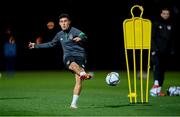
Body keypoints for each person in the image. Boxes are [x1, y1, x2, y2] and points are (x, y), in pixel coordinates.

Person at [28, 13, 92, 109]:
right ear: (59, 23)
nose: (63, 23)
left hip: (80, 56)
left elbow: (84, 35)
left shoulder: (74, 31)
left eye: (65, 21)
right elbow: (51, 44)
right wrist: (35, 45)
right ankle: (83, 73)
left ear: (69, 22)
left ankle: (73, 104)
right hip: (68, 56)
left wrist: (80, 37)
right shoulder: (59, 34)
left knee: (79, 82)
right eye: (61, 22)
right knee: (72, 64)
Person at [150, 7, 175, 96]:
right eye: (164, 13)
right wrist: (154, 49)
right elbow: (151, 37)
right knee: (157, 66)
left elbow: (171, 40)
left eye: (167, 14)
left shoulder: (170, 25)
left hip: (166, 52)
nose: (166, 15)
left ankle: (159, 89)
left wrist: (171, 50)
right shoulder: (156, 23)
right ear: (161, 14)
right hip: (156, 51)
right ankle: (155, 86)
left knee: (163, 70)